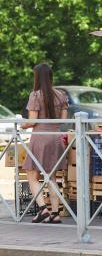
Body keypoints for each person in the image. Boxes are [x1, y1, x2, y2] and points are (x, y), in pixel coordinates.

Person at [21, 63, 68, 224]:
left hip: (40, 137)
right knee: (52, 177)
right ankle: (55, 214)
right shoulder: (61, 95)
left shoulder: (35, 95)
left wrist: (23, 124)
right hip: (56, 137)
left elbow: (32, 121)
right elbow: (63, 121)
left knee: (32, 175)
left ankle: (43, 210)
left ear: (37, 77)